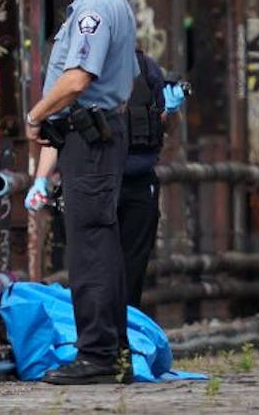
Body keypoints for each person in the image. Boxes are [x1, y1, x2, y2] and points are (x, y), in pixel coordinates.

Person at [24, 0, 138, 384]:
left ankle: (96, 354)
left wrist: (36, 113)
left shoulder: (92, 9)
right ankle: (116, 350)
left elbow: (77, 79)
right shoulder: (114, 1)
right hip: (101, 136)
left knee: (89, 247)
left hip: (90, 140)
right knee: (104, 246)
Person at [26, 48, 183, 312]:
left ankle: (125, 343)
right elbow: (57, 132)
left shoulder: (146, 69)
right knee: (92, 268)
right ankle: (95, 340)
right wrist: (40, 180)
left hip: (138, 183)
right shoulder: (74, 76)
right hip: (92, 183)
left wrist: (171, 109)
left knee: (132, 270)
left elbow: (165, 126)